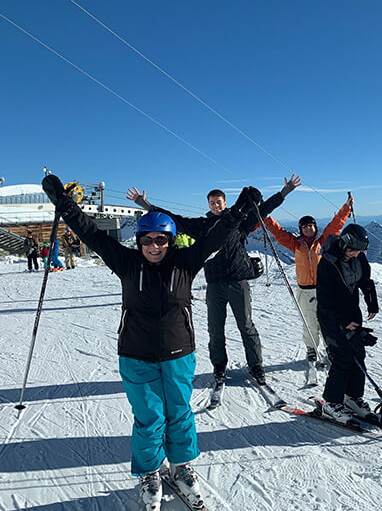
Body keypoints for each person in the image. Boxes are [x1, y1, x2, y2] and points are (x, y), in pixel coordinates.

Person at [42, 173, 258, 510]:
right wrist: (65, 205)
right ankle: (150, 471)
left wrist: (240, 210)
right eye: (147, 240)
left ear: (171, 241)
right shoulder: (127, 263)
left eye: (161, 240)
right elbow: (92, 234)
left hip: (179, 355)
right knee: (149, 418)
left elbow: (214, 237)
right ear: (138, 241)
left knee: (180, 414)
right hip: (136, 355)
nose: (154, 246)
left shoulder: (186, 263)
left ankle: (181, 466)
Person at [127, 175, 299, 387]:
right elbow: (176, 220)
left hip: (238, 282)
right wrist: (146, 205)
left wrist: (285, 192)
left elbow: (263, 210)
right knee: (215, 329)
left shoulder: (240, 222)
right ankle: (219, 367)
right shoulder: (202, 226)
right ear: (208, 205)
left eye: (219, 202)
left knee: (246, 326)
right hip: (215, 283)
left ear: (225, 203)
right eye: (211, 203)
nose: (215, 205)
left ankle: (256, 366)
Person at [264, 190, 353, 363]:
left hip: (324, 289)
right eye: (304, 226)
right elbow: (279, 232)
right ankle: (311, 348)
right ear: (300, 229)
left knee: (327, 322)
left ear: (315, 227)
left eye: (310, 225)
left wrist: (346, 208)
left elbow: (335, 226)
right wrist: (266, 217)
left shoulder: (323, 242)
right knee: (310, 323)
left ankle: (330, 348)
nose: (308, 228)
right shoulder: (295, 244)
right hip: (304, 291)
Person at [316, 224, 379, 423]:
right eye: (354, 249)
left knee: (358, 355)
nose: (358, 254)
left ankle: (352, 398)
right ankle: (331, 403)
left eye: (361, 250)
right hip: (331, 318)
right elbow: (324, 299)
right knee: (342, 358)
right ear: (345, 244)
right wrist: (342, 322)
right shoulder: (327, 263)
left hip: (353, 314)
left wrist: (372, 302)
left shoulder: (359, 257)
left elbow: (366, 281)